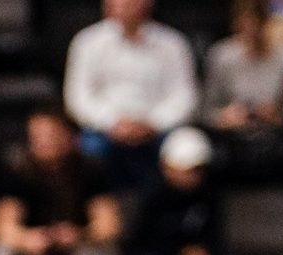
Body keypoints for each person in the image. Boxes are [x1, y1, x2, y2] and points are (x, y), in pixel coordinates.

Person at [0, 108, 124, 255]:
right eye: (36, 136)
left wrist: (79, 235)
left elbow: (110, 226)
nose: (42, 142)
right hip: (34, 253)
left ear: (69, 137)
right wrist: (27, 239)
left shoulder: (91, 171)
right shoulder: (19, 172)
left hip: (78, 250)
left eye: (49, 135)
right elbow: (3, 227)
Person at [64, 0, 200, 186]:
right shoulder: (87, 42)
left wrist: (153, 123)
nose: (122, 4)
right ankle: (101, 209)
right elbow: (78, 97)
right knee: (89, 150)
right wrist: (112, 122)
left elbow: (185, 97)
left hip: (159, 128)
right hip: (104, 129)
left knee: (189, 149)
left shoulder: (173, 43)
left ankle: (175, 212)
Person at [204, 0, 283, 178]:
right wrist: (227, 117)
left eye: (257, 23)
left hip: (275, 135)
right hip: (232, 137)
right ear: (237, 24)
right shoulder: (221, 56)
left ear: (266, 22)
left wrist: (275, 115)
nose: (252, 31)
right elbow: (206, 112)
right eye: (246, 24)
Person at [131, 127, 226, 255]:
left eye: (198, 169)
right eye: (187, 169)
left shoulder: (208, 194)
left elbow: (214, 231)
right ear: (167, 166)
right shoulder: (153, 194)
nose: (192, 176)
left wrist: (203, 251)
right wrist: (180, 254)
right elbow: (144, 237)